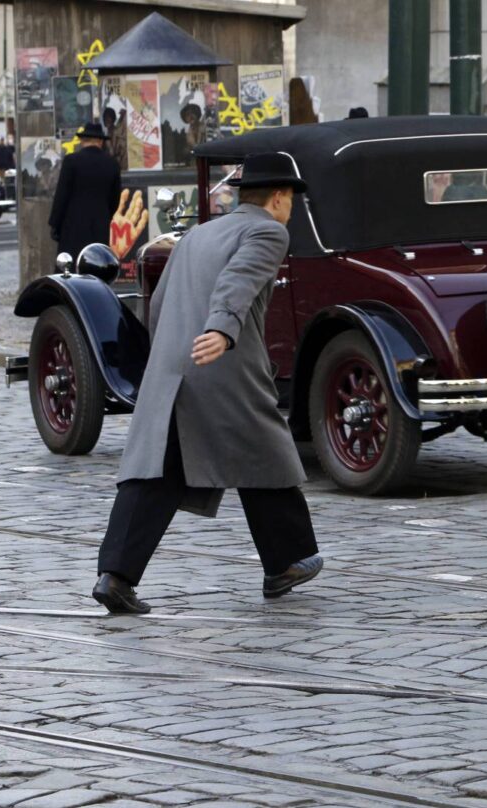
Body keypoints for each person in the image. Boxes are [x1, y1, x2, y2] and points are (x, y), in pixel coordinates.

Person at [91, 152, 323, 615]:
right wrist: (221, 329)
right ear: (279, 198)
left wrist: (167, 354)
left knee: (160, 472)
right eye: (292, 200)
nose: (292, 209)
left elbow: (161, 301)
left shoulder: (198, 233)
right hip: (222, 367)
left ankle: (115, 576)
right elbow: (237, 283)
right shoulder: (267, 231)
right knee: (265, 456)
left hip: (176, 366)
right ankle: (289, 560)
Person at [49, 122, 122, 260]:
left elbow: (61, 195)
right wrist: (105, 215)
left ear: (83, 140)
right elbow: (115, 199)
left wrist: (55, 224)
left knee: (71, 270)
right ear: (100, 141)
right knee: (97, 265)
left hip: (73, 225)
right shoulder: (112, 164)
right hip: (100, 224)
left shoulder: (71, 161)